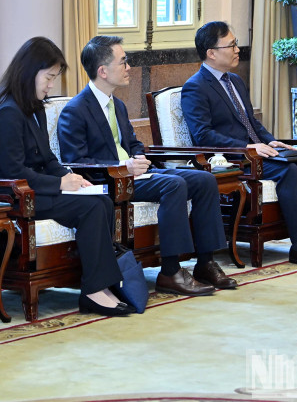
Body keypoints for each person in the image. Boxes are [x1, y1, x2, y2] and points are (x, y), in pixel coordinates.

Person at [58, 35, 234, 295]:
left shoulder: (116, 104)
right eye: (123, 62)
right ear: (103, 71)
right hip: (109, 183)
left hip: (135, 175)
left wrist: (139, 158)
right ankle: (171, 272)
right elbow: (77, 162)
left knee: (203, 179)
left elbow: (133, 142)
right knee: (174, 184)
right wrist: (122, 166)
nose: (129, 68)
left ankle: (206, 262)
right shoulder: (76, 110)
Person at [181, 21, 297, 268]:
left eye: (236, 44)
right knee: (287, 169)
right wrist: (248, 148)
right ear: (211, 53)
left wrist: (269, 140)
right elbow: (203, 135)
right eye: (231, 45)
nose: (237, 50)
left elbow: (251, 123)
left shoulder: (234, 81)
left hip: (258, 152)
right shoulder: (195, 87)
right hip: (232, 159)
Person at [0, 36, 132, 317]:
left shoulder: (33, 106)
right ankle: (95, 290)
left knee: (101, 201)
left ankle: (102, 284)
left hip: (36, 188)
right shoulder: (5, 112)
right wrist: (60, 183)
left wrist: (71, 177)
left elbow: (47, 158)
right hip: (12, 195)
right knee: (91, 208)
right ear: (28, 72)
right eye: (48, 78)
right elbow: (13, 172)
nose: (51, 86)